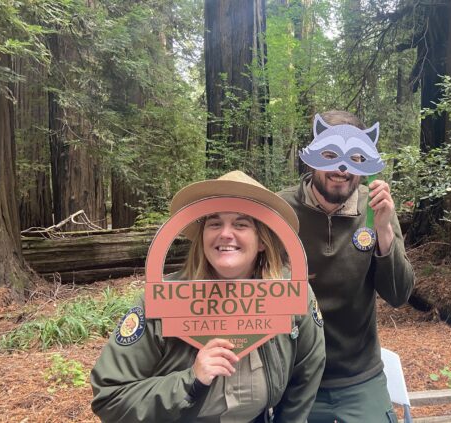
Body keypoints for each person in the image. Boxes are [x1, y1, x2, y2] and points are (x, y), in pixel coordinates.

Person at [91, 171, 325, 423]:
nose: (225, 234)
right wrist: (191, 380)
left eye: (241, 224)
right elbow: (110, 397)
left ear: (262, 241)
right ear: (203, 237)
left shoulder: (290, 293)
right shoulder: (160, 300)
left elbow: (307, 373)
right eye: (214, 223)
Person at [278, 110, 415, 422]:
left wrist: (383, 231)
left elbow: (398, 294)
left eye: (355, 156)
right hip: (296, 376)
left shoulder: (377, 208)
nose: (340, 168)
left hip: (360, 375)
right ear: (312, 158)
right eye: (329, 154)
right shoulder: (280, 210)